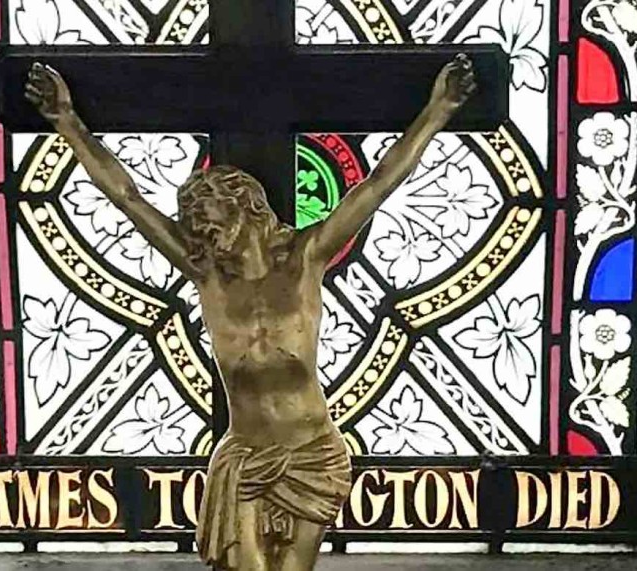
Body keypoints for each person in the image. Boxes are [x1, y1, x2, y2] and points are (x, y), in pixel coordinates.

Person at [25, 54, 476, 571]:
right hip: (244, 458)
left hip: (314, 453)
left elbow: (377, 184)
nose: (198, 227)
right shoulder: (207, 275)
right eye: (191, 220)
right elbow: (128, 198)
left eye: (206, 213)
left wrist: (438, 111)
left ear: (245, 206)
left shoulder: (306, 257)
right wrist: (67, 122)